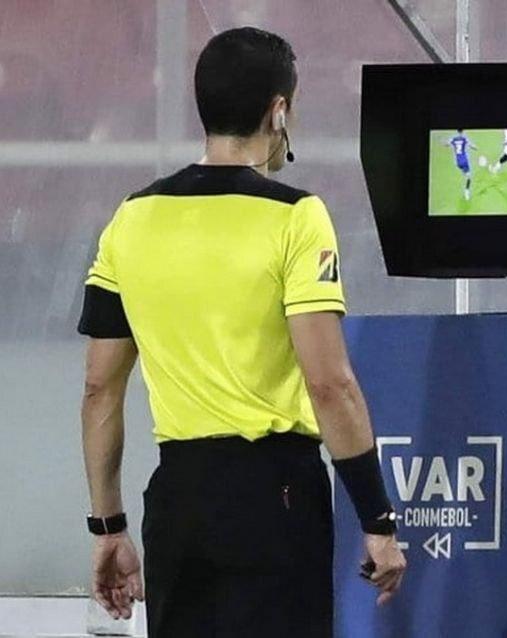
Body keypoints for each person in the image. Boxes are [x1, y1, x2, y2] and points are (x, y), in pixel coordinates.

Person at [77, 27, 406, 638]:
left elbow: (100, 390)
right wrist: (377, 519)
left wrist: (108, 527)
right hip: (276, 497)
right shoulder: (297, 216)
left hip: (176, 500)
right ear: (278, 111)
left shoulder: (131, 219)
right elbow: (329, 384)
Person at [446, 128, 477, 200]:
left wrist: (444, 143)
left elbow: (447, 144)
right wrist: (475, 148)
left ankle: (464, 174)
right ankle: (466, 192)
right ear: (463, 131)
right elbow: (471, 146)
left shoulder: (453, 139)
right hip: (464, 161)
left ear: (457, 131)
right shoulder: (464, 139)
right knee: (469, 177)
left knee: (465, 174)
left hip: (458, 162)